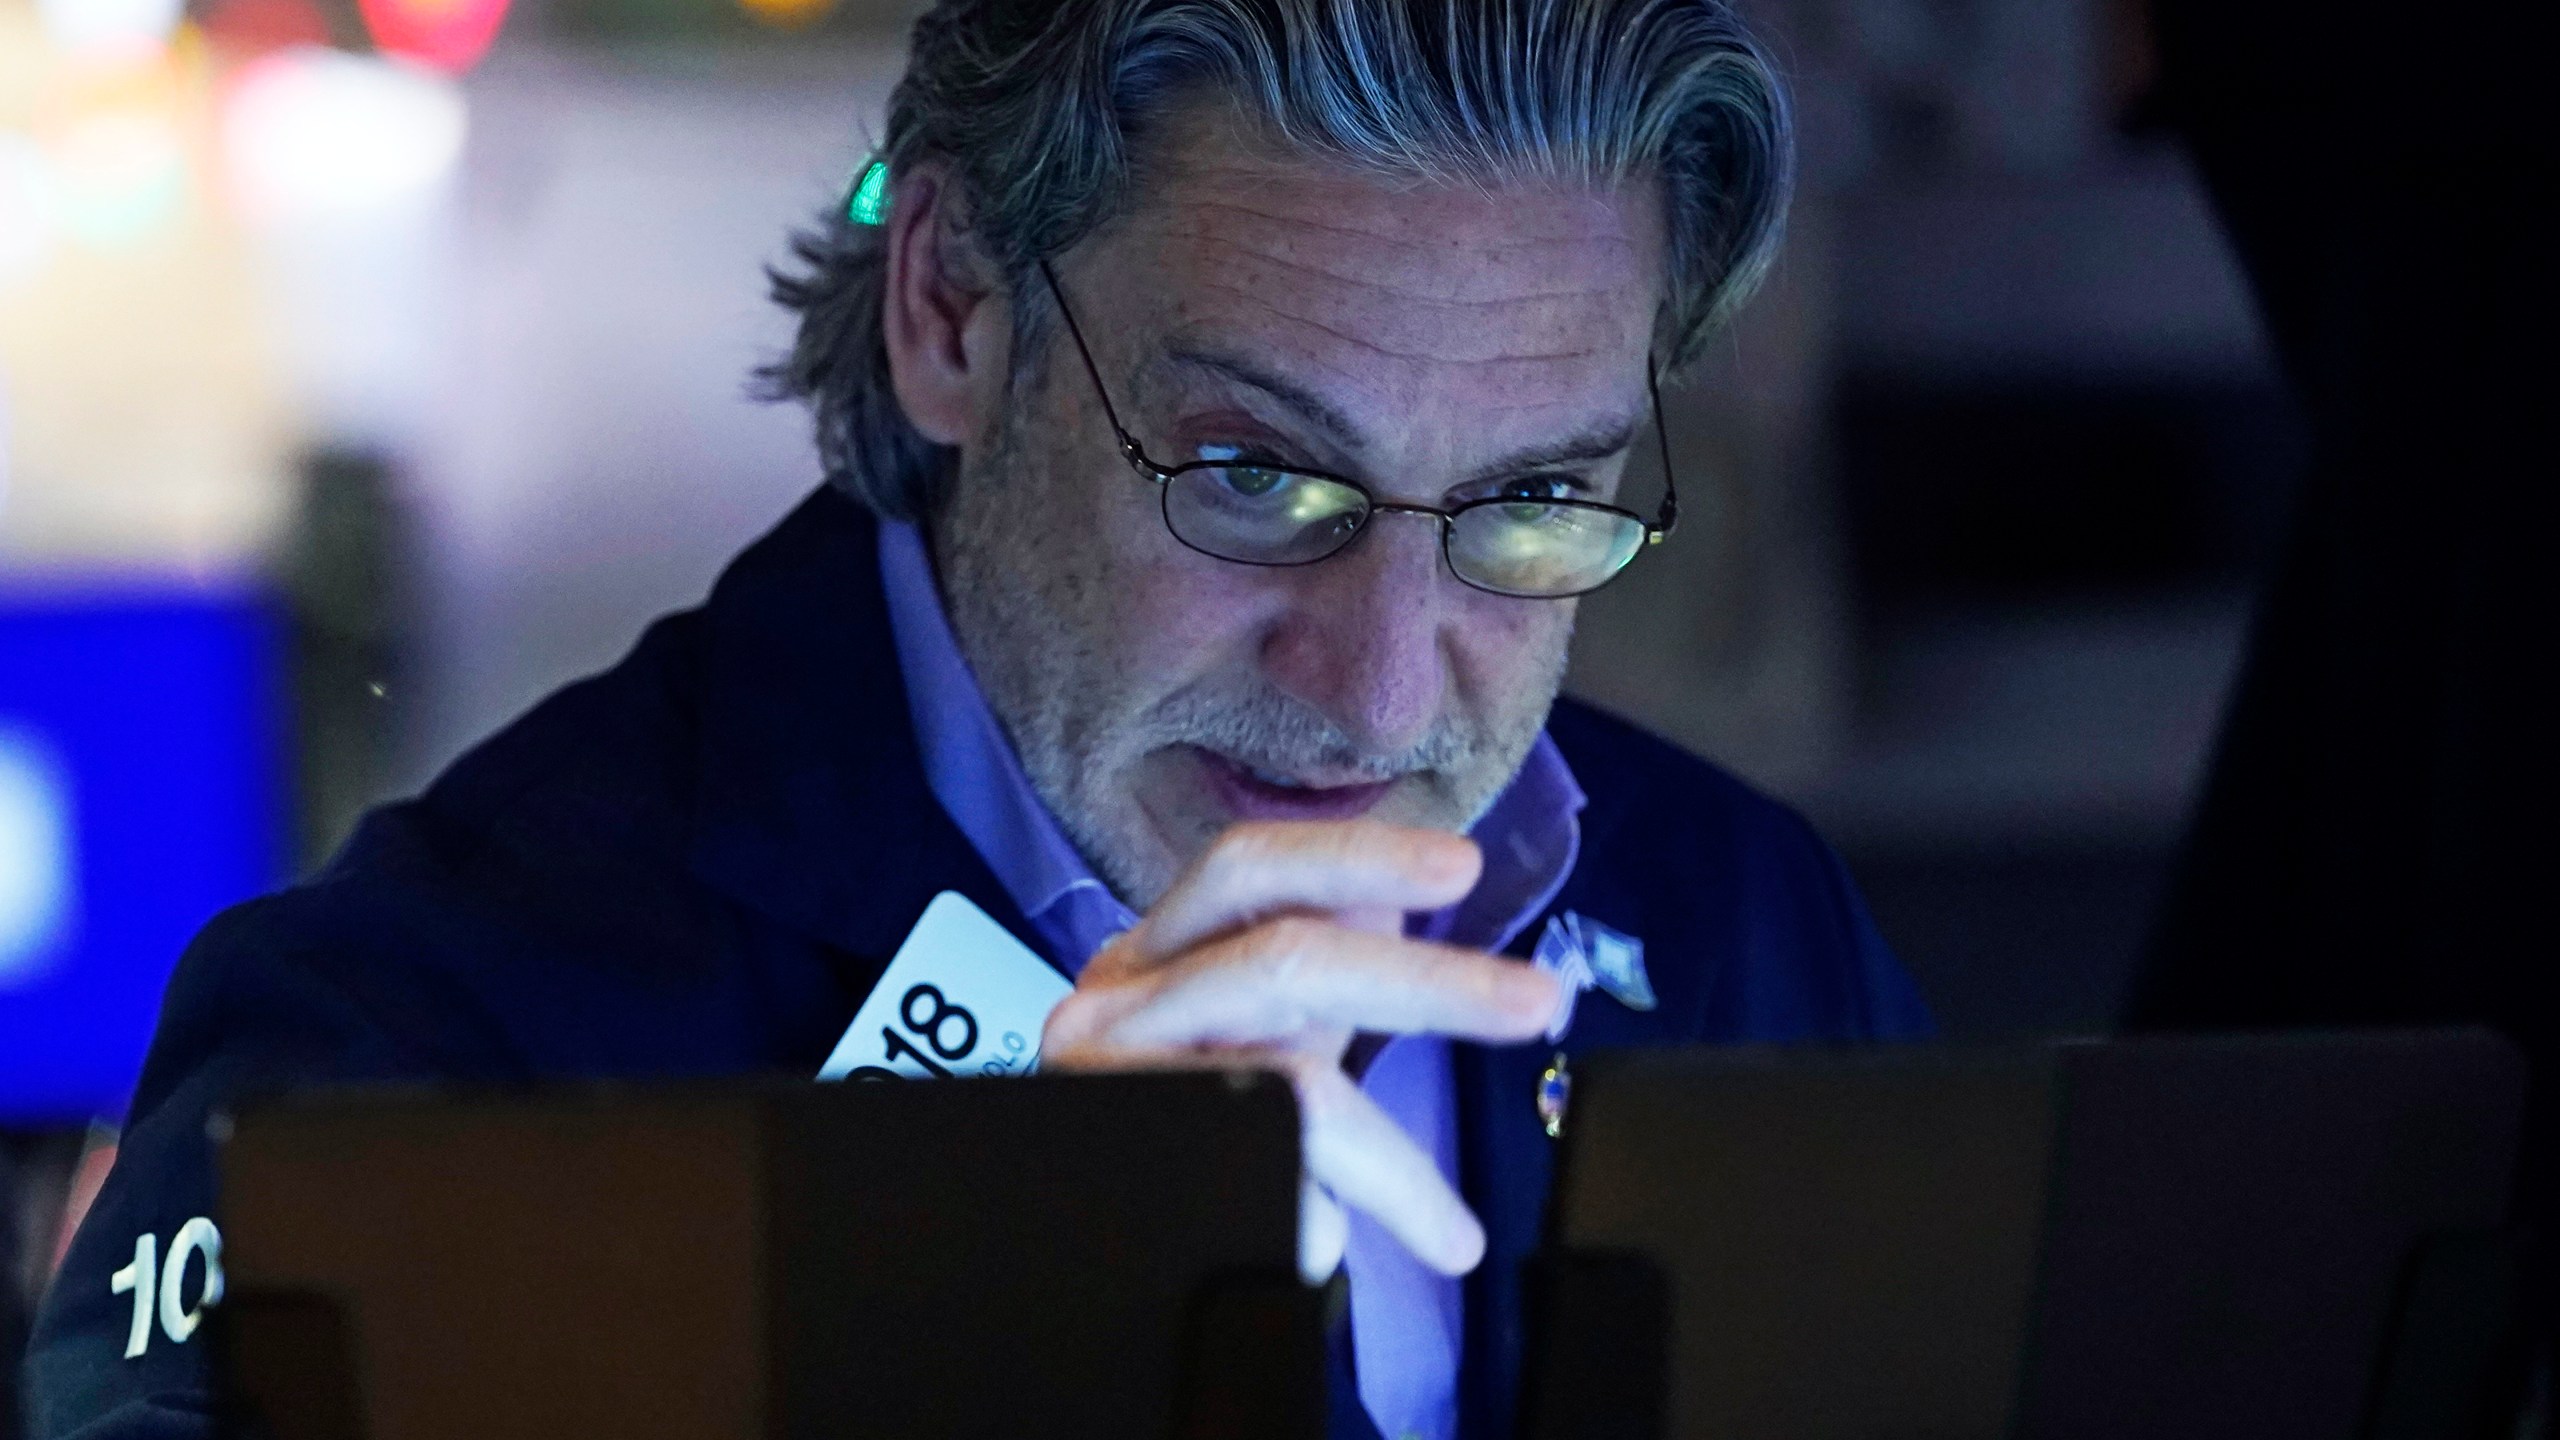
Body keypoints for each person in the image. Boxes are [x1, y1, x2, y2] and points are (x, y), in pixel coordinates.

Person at [22, 3, 1928, 1437]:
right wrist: (961, 1329)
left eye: (1532, 502)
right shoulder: (417, 1035)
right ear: (950, 310)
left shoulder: (1749, 924)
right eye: (1255, 476)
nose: (1380, 690)